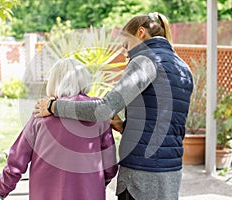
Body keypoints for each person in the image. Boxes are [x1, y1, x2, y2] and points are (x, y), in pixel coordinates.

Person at [34, 12, 194, 200]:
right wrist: (124, 126)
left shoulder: (145, 61)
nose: (125, 51)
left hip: (140, 176)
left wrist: (54, 106)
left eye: (126, 44)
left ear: (141, 33)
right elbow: (164, 123)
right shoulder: (183, 68)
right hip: (171, 172)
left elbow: (103, 109)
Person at [0, 58, 118, 200]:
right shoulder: (96, 112)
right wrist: (100, 182)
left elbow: (18, 158)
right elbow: (110, 163)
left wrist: (2, 189)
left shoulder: (41, 113)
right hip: (88, 192)